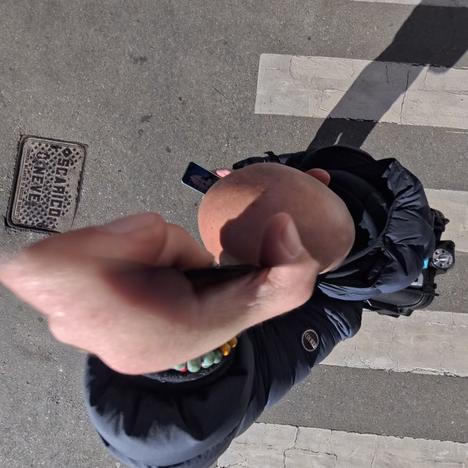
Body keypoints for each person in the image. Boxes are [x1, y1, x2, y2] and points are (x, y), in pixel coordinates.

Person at [0, 145, 436, 468]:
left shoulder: (319, 315)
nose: (215, 264)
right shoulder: (374, 194)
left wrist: (183, 360)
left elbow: (180, 435)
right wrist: (251, 177)